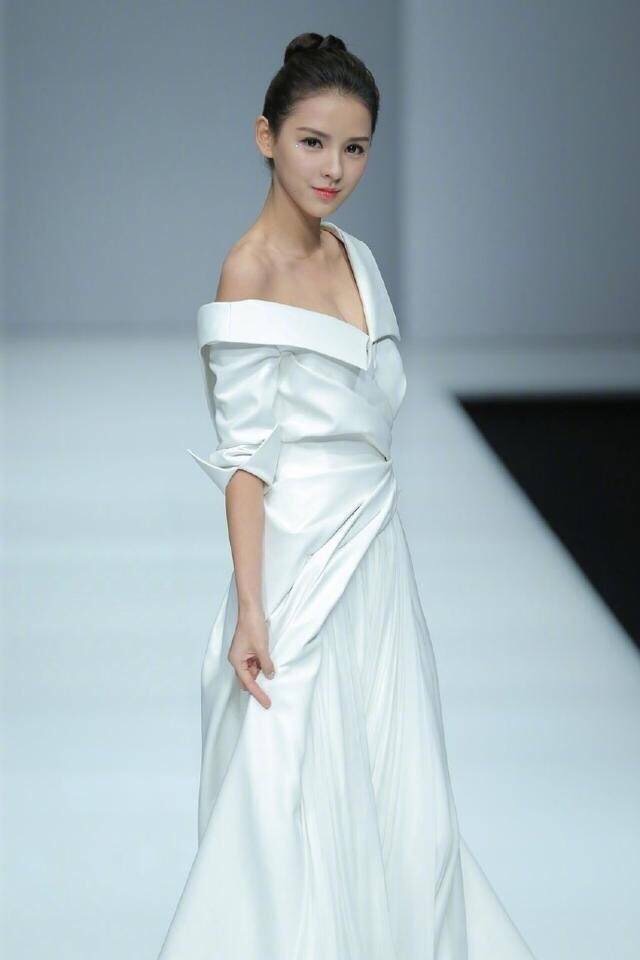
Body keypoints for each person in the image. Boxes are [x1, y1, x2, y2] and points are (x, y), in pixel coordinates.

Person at [157, 31, 536, 960]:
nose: (334, 168)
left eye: (355, 147)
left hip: (378, 566)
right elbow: (246, 458)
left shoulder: (358, 259)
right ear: (266, 137)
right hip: (296, 575)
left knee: (406, 805)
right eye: (313, 142)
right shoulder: (249, 270)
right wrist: (252, 609)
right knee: (285, 804)